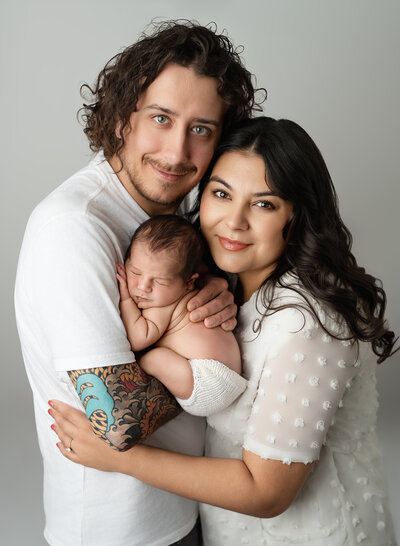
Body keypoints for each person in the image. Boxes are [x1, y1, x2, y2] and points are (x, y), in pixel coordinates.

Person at [51, 117, 397, 545]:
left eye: (264, 204)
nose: (233, 222)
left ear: (298, 215)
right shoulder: (224, 284)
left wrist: (121, 458)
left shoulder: (310, 323)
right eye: (221, 194)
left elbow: (266, 491)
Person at [14, 20, 262, 546]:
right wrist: (213, 370)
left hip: (189, 509)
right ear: (122, 116)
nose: (176, 153)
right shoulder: (75, 227)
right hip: (116, 531)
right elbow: (118, 419)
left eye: (201, 129)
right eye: (161, 118)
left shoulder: (181, 227)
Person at [116, 214, 246, 415]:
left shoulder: (163, 305)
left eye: (159, 281)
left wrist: (125, 299)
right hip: (228, 377)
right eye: (135, 272)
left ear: (188, 282)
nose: (143, 287)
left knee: (151, 357)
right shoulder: (180, 293)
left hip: (205, 382)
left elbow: (137, 339)